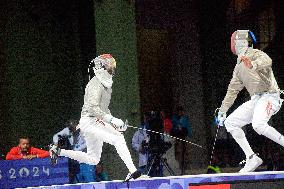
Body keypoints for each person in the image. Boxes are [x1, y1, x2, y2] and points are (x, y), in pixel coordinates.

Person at [50, 54, 142, 180]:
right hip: (89, 122)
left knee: (93, 159)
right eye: (108, 65)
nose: (111, 68)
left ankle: (58, 151)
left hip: (97, 121)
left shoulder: (106, 84)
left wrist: (115, 124)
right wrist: (111, 120)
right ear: (100, 67)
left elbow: (103, 109)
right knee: (118, 139)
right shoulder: (95, 84)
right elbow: (93, 108)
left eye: (112, 65)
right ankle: (133, 172)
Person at [217, 30, 284, 173]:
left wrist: (253, 64)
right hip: (256, 100)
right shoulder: (238, 67)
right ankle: (252, 157)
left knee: (258, 125)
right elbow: (232, 90)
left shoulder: (256, 54)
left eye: (234, 40)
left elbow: (267, 61)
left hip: (270, 96)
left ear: (241, 42)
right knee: (230, 123)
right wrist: (222, 110)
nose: (232, 43)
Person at [53, 119, 95, 183]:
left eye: (74, 127)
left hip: (87, 161)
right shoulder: (68, 130)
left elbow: (88, 144)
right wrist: (56, 144)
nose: (73, 130)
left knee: (90, 181)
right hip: (76, 163)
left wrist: (75, 149)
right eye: (71, 128)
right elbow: (55, 136)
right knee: (79, 183)